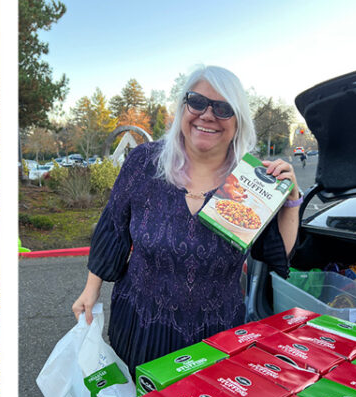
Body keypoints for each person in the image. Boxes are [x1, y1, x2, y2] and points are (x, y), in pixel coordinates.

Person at [70, 64, 299, 367]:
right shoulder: (143, 163)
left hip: (217, 334)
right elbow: (113, 228)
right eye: (197, 102)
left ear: (238, 120)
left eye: (223, 108)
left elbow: (275, 252)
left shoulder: (250, 182)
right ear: (182, 107)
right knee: (136, 394)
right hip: (141, 325)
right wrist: (91, 290)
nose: (207, 115)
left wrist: (291, 199)